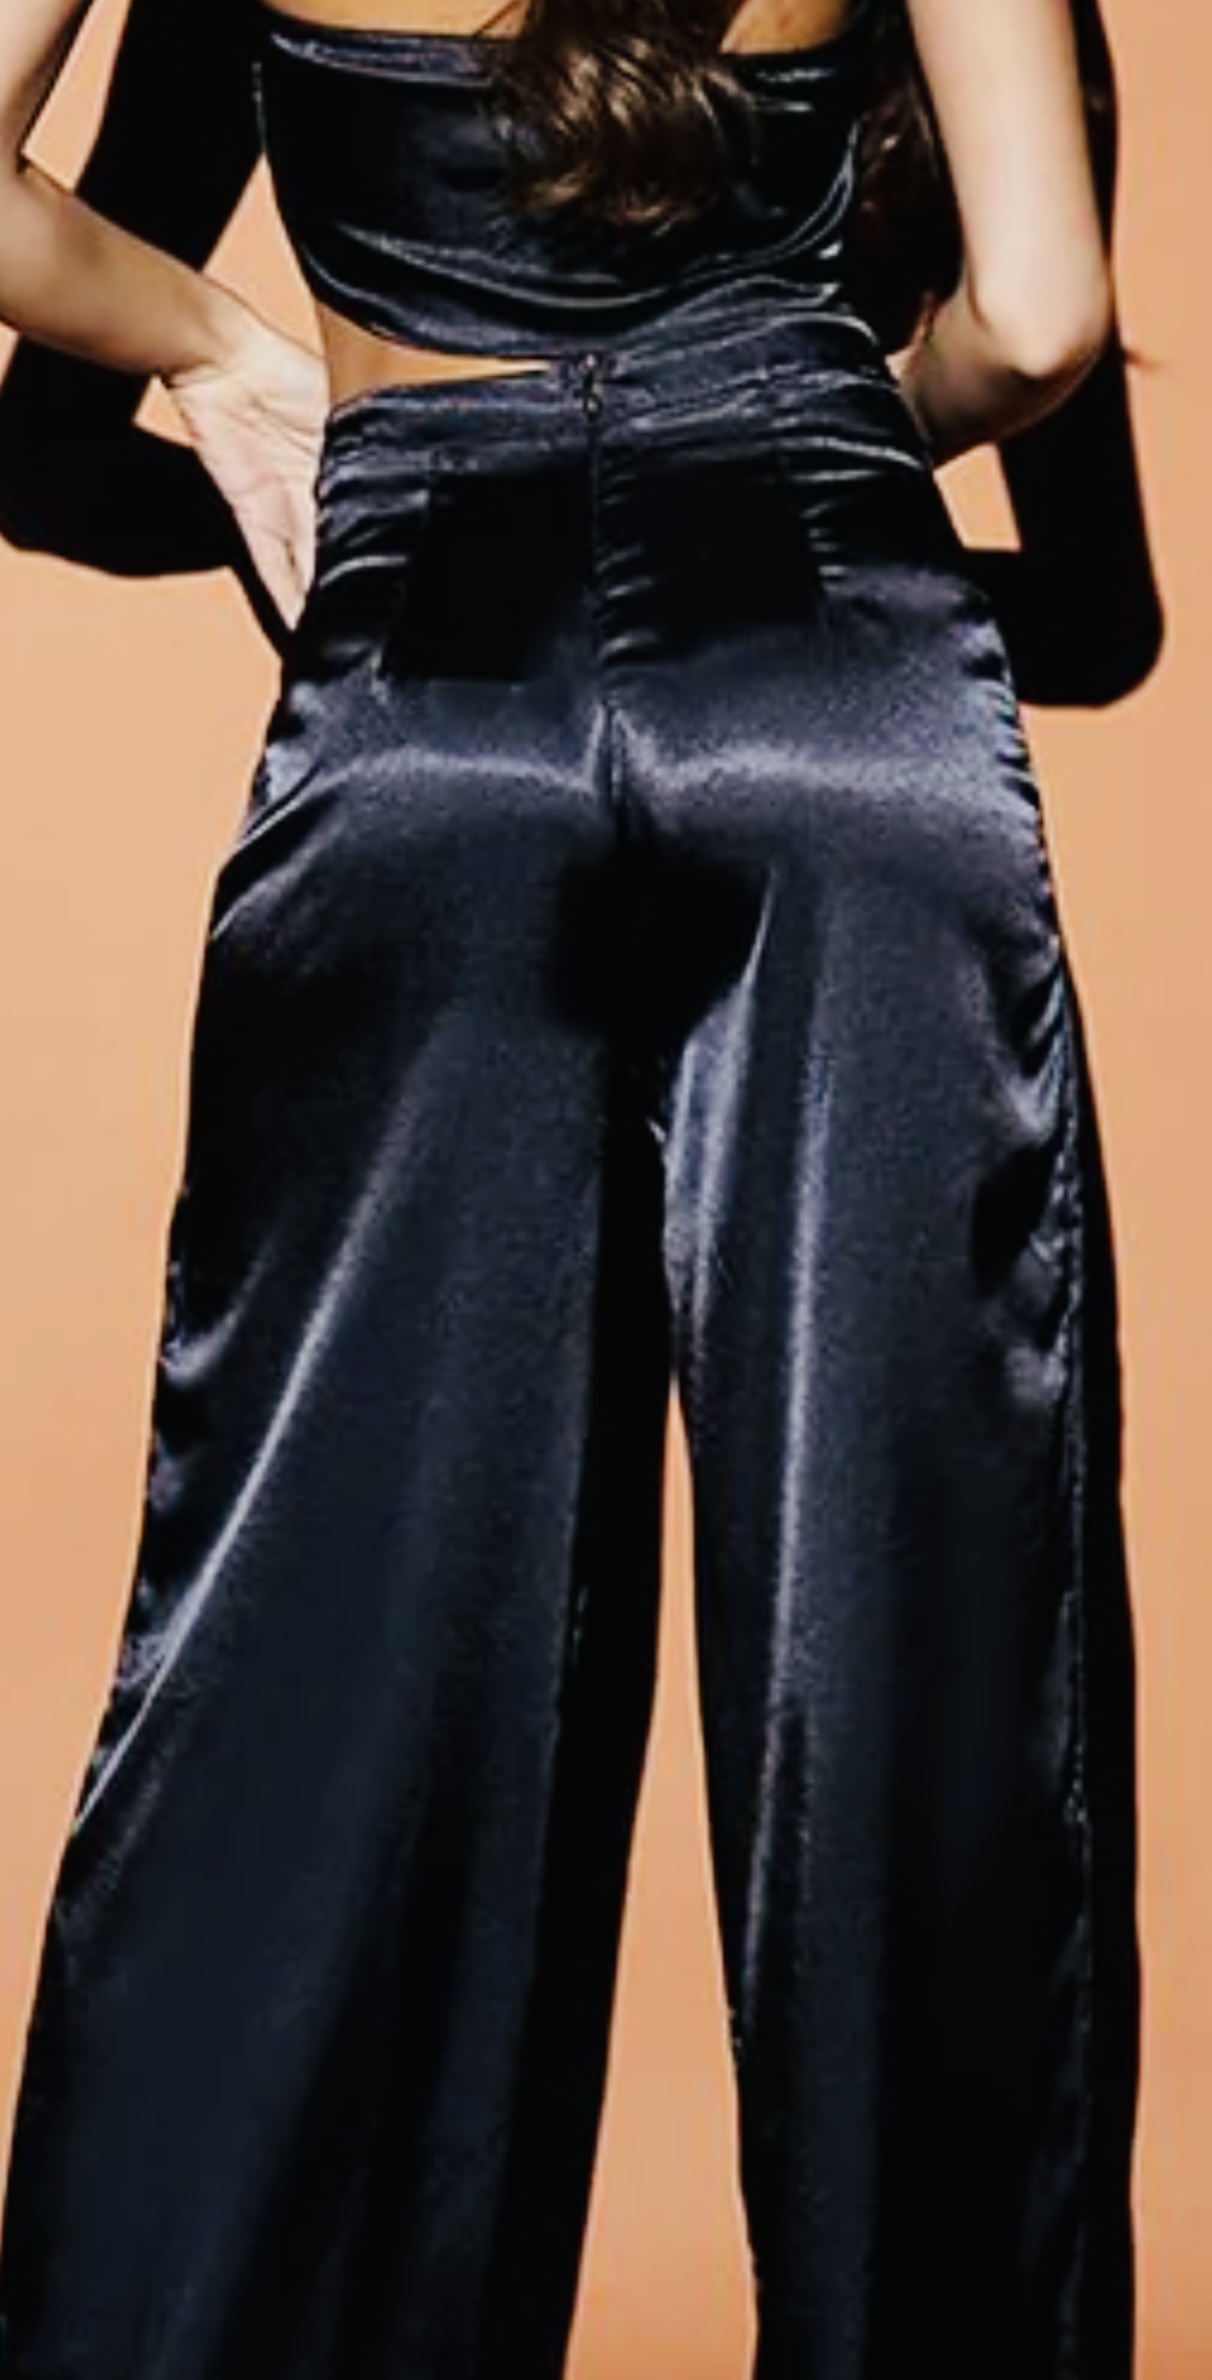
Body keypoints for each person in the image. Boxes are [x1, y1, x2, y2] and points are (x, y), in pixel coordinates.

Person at [0, 0, 1146, 2376]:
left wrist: (214, 338)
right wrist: (830, 430)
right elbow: (1042, 320)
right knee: (918, 1642)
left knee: (318, 1635)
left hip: (433, 687)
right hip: (844, 700)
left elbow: (35, 409)